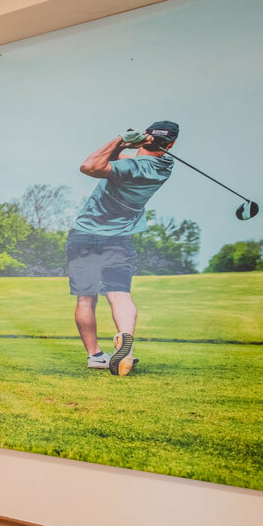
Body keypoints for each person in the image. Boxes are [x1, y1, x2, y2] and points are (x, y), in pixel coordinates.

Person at [67, 121, 179, 376]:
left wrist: (120, 139)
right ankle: (125, 345)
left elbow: (90, 166)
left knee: (86, 297)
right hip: (119, 240)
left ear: (147, 136)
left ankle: (95, 356)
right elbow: (119, 161)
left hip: (84, 235)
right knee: (120, 294)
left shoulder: (131, 167)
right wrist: (127, 147)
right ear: (171, 144)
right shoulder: (164, 166)